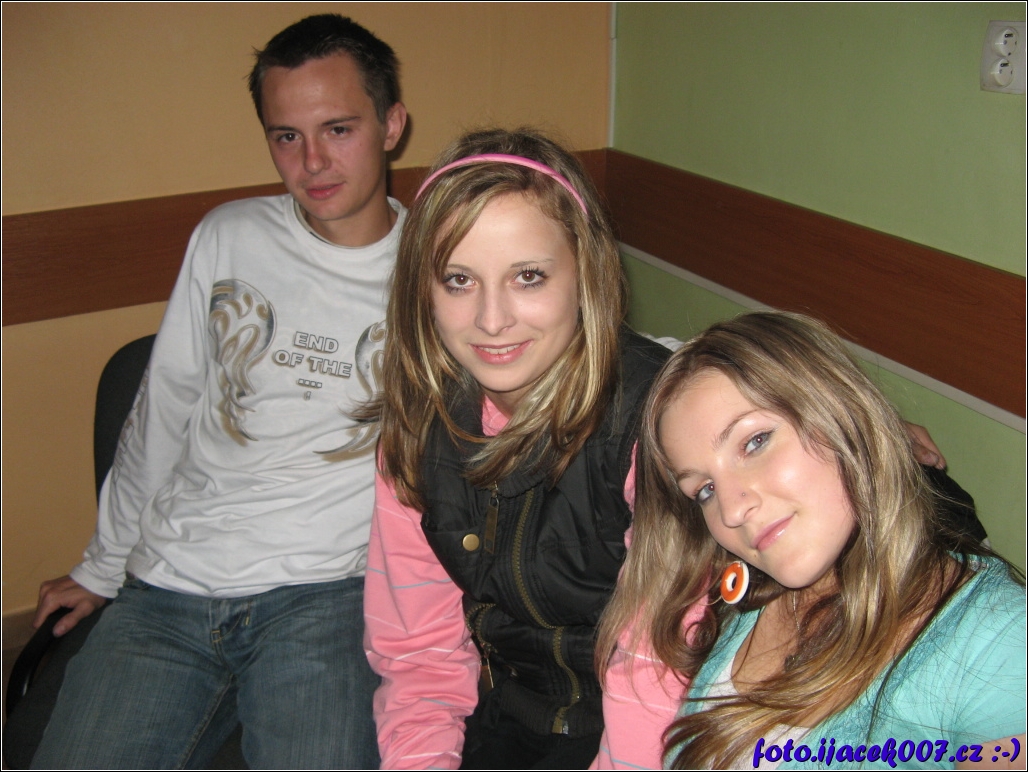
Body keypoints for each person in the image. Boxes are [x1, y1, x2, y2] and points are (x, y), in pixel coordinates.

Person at [28, 14, 407, 769]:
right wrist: (102, 565)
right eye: (286, 136)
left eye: (338, 129)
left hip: (330, 594)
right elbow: (163, 407)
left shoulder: (441, 270)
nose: (312, 162)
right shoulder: (228, 235)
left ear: (391, 125)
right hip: (172, 578)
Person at [362, 127, 685, 769]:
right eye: (458, 280)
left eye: (528, 277)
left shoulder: (659, 428)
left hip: (654, 730)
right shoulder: (417, 435)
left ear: (586, 273)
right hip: (512, 715)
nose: (491, 320)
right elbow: (419, 657)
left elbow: (658, 679)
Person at [597, 311, 1025, 770]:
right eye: (705, 489)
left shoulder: (997, 644)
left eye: (755, 442)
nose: (732, 510)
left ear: (841, 412)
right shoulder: (746, 602)